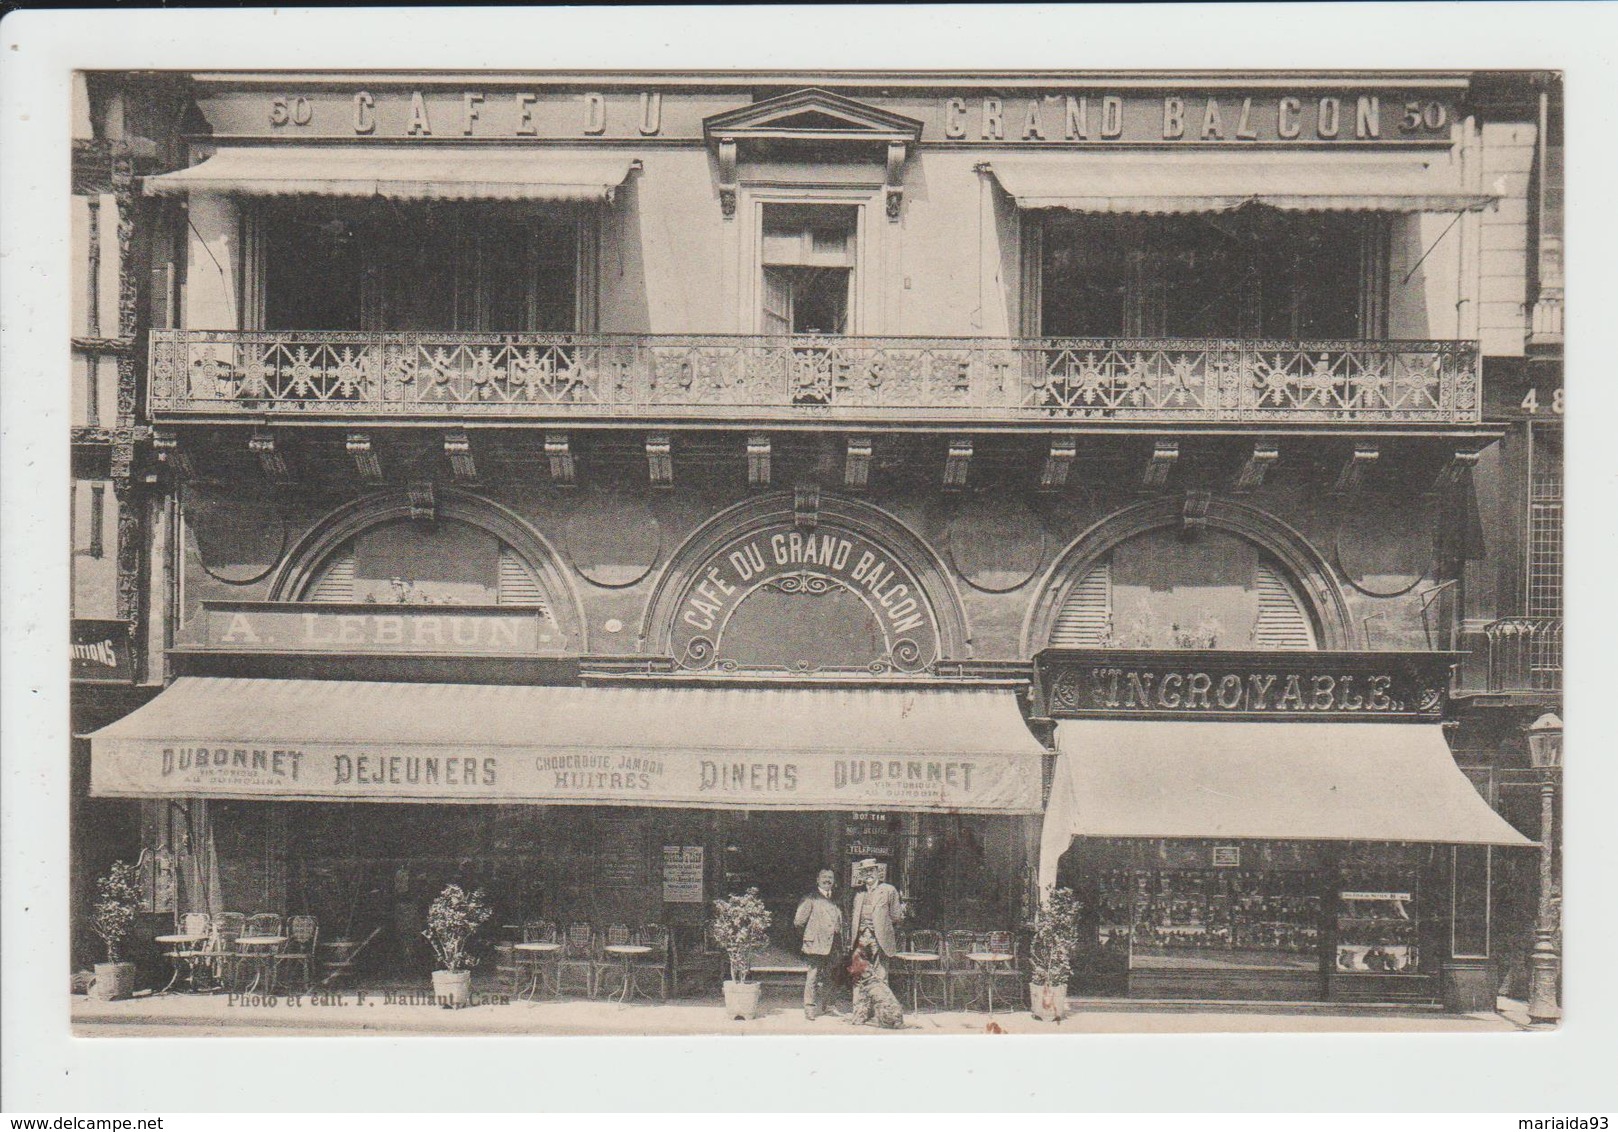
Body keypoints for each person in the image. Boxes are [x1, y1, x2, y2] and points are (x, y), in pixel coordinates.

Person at [793, 868, 845, 1021]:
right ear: (817, 879)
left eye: (830, 877)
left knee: (832, 976)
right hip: (816, 943)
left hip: (834, 944)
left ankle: (829, 1006)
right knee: (813, 976)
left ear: (834, 881)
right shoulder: (810, 898)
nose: (827, 880)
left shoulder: (836, 899)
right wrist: (811, 935)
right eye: (824, 877)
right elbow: (798, 922)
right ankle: (809, 1008)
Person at [848, 925, 905, 1029]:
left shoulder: (866, 985)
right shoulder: (872, 977)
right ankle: (890, 1019)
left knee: (864, 1001)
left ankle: (870, 1019)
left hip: (888, 1014)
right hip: (895, 1014)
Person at [848, 858, 905, 959]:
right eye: (865, 871)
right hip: (861, 939)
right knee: (860, 972)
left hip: (880, 940)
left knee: (880, 973)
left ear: (877, 872)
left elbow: (896, 916)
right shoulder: (858, 893)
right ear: (861, 875)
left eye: (871, 870)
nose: (869, 874)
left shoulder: (888, 890)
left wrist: (881, 926)